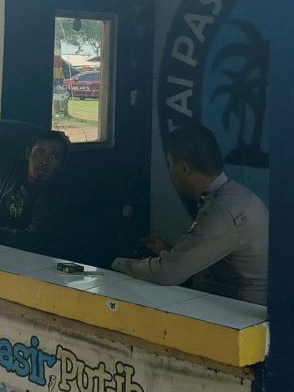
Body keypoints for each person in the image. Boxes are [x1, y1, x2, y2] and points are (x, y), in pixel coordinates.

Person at [112, 125, 268, 305]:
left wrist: (119, 264)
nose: (170, 171)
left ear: (185, 168)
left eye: (170, 164)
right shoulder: (236, 195)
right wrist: (169, 251)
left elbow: (168, 273)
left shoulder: (223, 212)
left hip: (233, 308)